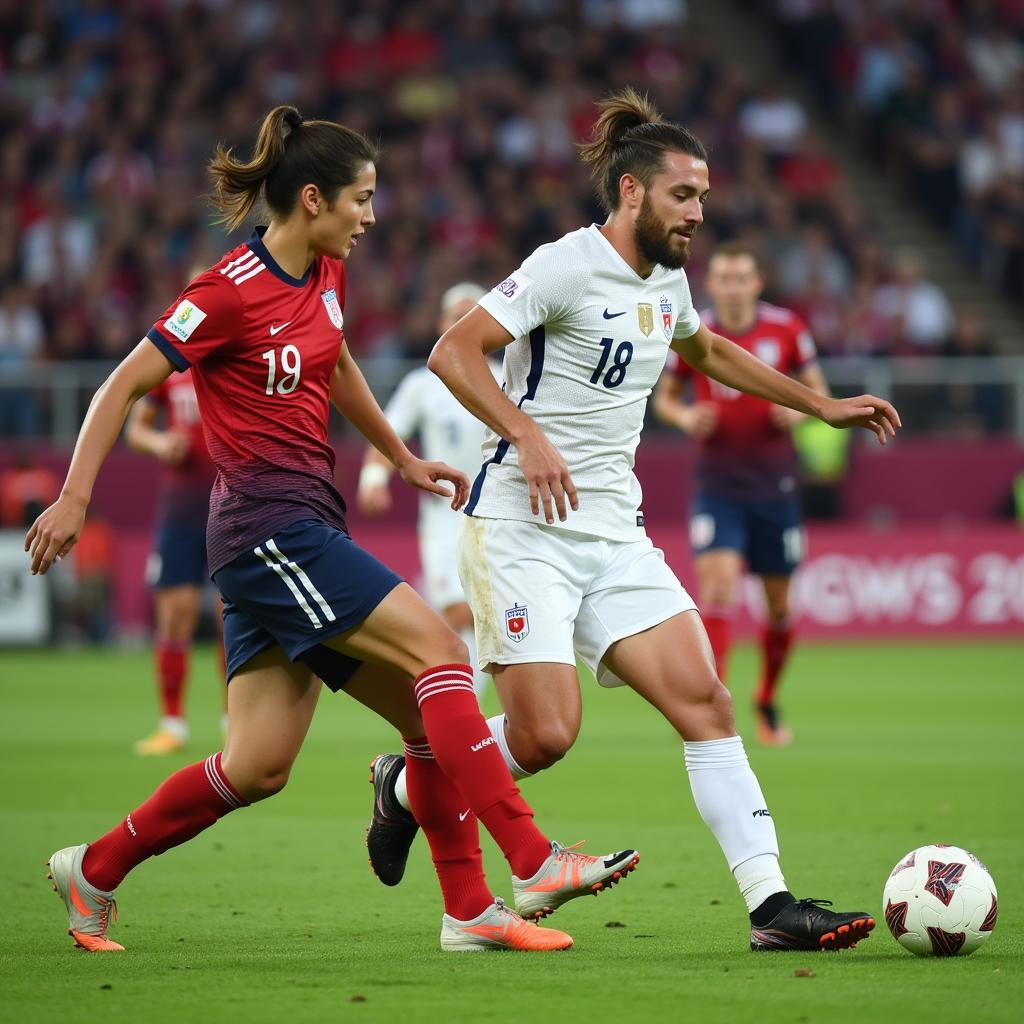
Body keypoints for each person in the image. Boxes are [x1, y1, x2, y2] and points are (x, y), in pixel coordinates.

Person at [26, 105, 639, 955]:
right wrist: (74, 497)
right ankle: (531, 860)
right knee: (441, 658)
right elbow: (121, 385)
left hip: (297, 528)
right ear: (312, 199)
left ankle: (94, 868)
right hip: (265, 531)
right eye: (362, 197)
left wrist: (402, 453)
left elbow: (338, 363)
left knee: (261, 766)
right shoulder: (225, 292)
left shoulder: (326, 273)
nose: (372, 215)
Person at [366, 88, 899, 952]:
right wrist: (526, 434)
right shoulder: (564, 265)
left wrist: (819, 405)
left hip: (616, 533)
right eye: (684, 196)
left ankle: (771, 907)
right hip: (521, 525)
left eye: (704, 198)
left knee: (708, 703)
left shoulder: (670, 280)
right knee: (545, 737)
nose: (698, 213)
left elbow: (708, 350)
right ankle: (403, 784)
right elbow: (451, 351)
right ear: (631, 192)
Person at [652, 241, 830, 745]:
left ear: (756, 283)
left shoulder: (787, 329)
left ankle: (767, 696)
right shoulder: (694, 330)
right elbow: (665, 399)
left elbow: (818, 386)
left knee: (778, 606)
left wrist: (798, 409)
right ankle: (716, 704)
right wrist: (687, 416)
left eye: (741, 278)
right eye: (724, 278)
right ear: (713, 284)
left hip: (775, 487)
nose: (732, 287)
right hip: (718, 486)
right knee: (718, 589)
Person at [356, 282, 500, 700]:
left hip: (495, 516)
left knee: (490, 618)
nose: (463, 325)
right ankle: (465, 710)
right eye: (457, 316)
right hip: (444, 518)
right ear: (442, 323)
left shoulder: (506, 379)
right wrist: (373, 480)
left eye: (473, 317)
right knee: (458, 612)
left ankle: (464, 712)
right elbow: (390, 436)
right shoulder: (424, 383)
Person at [125, 365, 224, 755]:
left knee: (231, 616)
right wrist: (160, 443)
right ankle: (172, 724)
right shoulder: (168, 362)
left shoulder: (235, 354)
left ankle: (234, 719)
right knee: (174, 613)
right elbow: (136, 429)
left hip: (230, 504)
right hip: (180, 509)